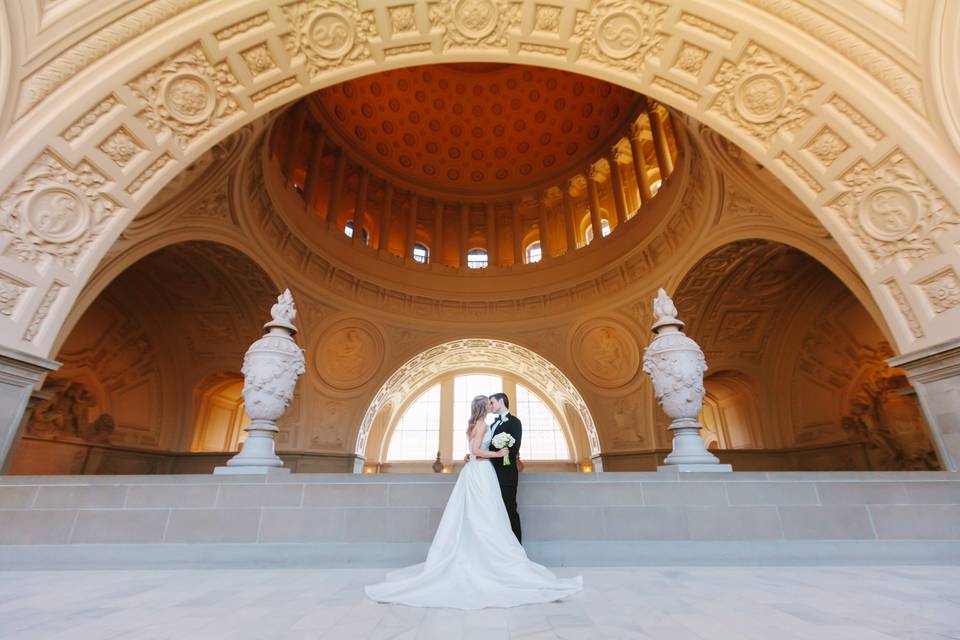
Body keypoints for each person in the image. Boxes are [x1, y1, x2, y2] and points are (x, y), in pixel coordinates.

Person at [365, 395, 582, 609]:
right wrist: (496, 454)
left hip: (484, 472)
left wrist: (479, 455)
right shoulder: (482, 424)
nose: (491, 404)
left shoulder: (487, 424)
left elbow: (476, 450)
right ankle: (492, 561)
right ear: (484, 406)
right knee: (485, 513)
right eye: (488, 402)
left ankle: (506, 557)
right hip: (482, 472)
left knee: (487, 513)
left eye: (493, 401)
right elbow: (478, 450)